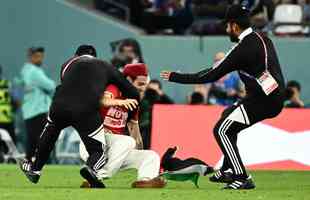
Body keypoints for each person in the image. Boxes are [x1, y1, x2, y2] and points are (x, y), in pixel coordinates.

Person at [161, 4, 285, 189]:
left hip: (262, 100)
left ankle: (242, 177)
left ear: (234, 26)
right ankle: (228, 170)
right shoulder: (262, 37)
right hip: (272, 97)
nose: (226, 29)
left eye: (227, 25)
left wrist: (175, 76)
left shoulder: (242, 49)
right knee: (227, 116)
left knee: (221, 130)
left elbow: (209, 75)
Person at [19, 45, 140, 188]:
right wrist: (132, 114)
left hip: (60, 105)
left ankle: (35, 169)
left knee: (50, 133)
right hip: (86, 108)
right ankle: (91, 169)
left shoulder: (68, 64)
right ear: (95, 57)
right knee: (97, 151)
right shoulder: (105, 66)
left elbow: (69, 83)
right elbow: (132, 92)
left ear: (76, 55)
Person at [80, 63, 166, 188]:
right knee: (127, 141)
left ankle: (145, 180)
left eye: (145, 85)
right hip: (93, 144)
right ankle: (96, 176)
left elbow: (135, 132)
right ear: (129, 80)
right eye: (140, 84)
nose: (143, 88)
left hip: (115, 151)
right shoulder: (113, 88)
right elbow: (103, 101)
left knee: (151, 155)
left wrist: (141, 153)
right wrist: (121, 102)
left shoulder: (134, 101)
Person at [20, 47, 56, 161]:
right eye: (37, 57)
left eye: (41, 56)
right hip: (38, 111)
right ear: (30, 57)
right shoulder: (34, 72)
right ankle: (43, 163)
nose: (40, 59)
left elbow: (18, 90)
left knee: (32, 141)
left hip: (28, 111)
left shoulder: (24, 71)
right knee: (43, 140)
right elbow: (50, 85)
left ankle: (29, 164)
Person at [0, 65, 17, 143]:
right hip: (8, 119)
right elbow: (16, 103)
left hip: (7, 120)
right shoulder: (8, 84)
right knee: (11, 147)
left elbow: (16, 102)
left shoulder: (8, 84)